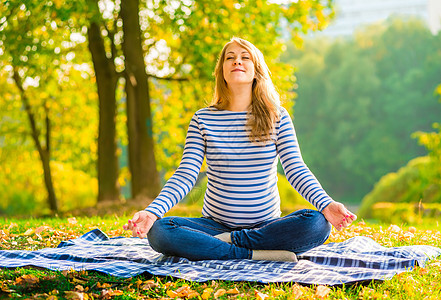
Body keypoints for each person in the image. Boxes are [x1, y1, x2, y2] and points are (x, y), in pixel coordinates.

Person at [123, 37, 356, 262]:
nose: (237, 61)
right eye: (230, 58)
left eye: (245, 57)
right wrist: (152, 212)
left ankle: (226, 244)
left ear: (256, 70)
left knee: (316, 223)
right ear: (221, 71)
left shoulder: (277, 116)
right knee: (161, 231)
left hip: (266, 226)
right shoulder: (202, 119)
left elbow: (295, 169)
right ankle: (250, 253)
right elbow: (186, 174)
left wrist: (325, 204)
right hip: (214, 225)